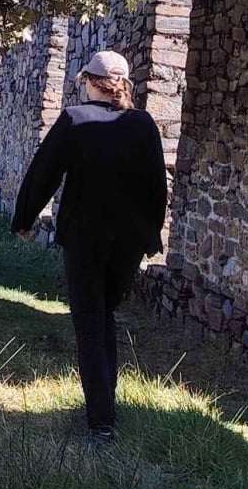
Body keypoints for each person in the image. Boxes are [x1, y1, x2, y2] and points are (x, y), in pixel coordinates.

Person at [10, 50, 167, 445]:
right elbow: (157, 186)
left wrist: (24, 219)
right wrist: (152, 234)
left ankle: (100, 422)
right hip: (129, 242)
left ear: (90, 81)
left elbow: (43, 170)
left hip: (86, 237)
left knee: (89, 324)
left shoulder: (75, 120)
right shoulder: (143, 124)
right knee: (105, 315)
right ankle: (105, 405)